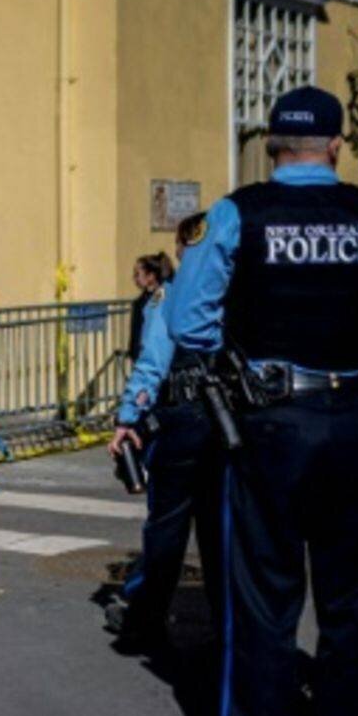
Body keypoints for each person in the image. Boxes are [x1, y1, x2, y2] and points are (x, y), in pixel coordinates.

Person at [167, 86, 358, 716]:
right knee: (353, 610)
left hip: (268, 424)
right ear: (337, 147)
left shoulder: (237, 214)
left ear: (270, 146)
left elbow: (187, 320)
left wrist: (239, 355)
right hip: (356, 422)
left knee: (263, 605)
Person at [104, 216, 222, 651]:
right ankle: (228, 628)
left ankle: (145, 624)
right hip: (227, 423)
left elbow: (152, 364)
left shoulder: (171, 297)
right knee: (220, 532)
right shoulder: (237, 292)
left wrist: (126, 419)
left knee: (167, 530)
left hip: (182, 420)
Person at [127, 252, 174, 361]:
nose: (135, 278)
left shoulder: (160, 294)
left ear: (151, 276)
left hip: (153, 355)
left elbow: (151, 322)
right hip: (141, 355)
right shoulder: (141, 301)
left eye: (137, 274)